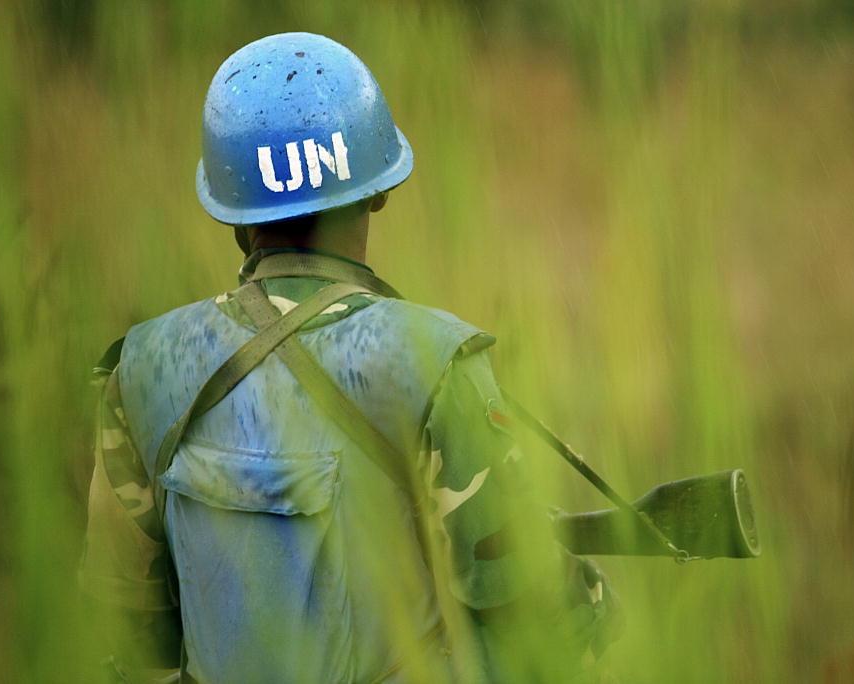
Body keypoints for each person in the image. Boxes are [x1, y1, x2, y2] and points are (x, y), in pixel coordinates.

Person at [79, 32, 621, 684]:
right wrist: (594, 601)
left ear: (229, 210)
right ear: (377, 190)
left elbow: (129, 631)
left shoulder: (141, 371)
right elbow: (538, 619)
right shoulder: (433, 362)